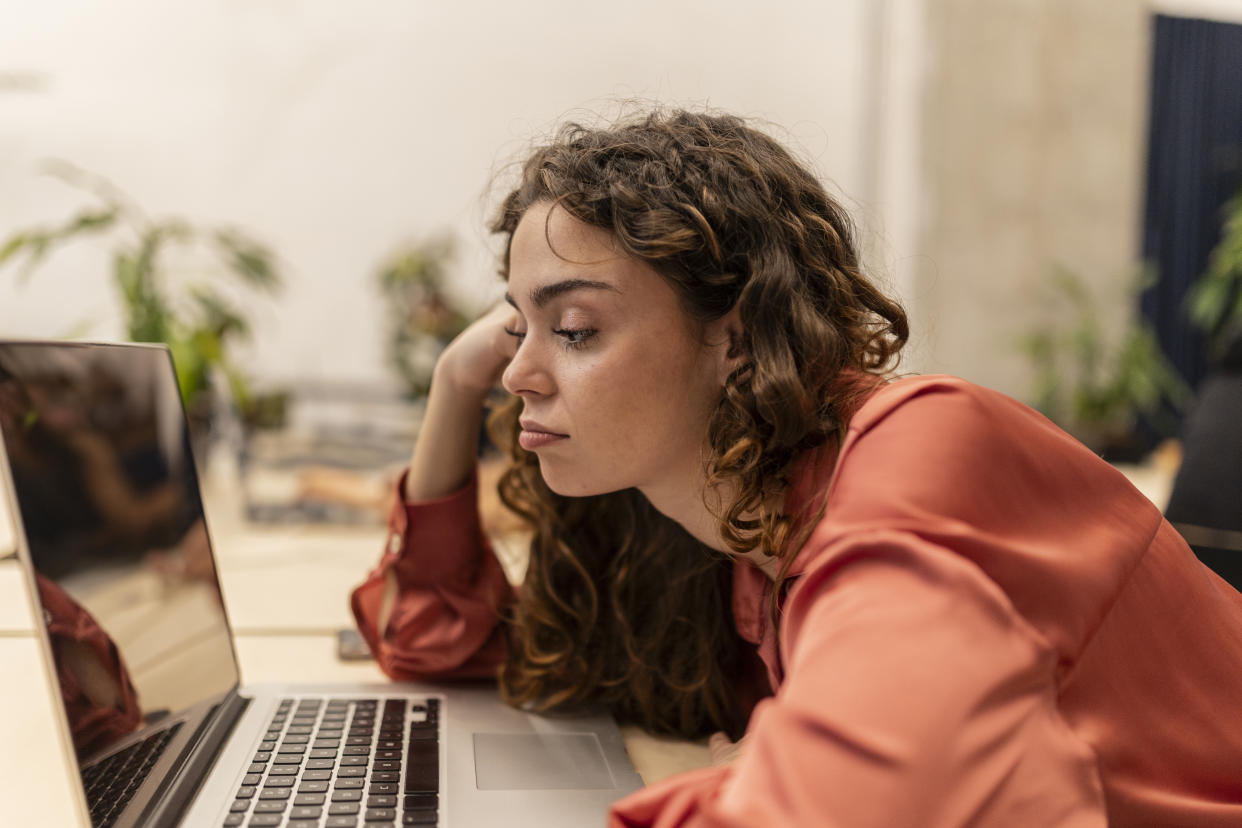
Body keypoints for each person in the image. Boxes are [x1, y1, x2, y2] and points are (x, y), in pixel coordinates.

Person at [351, 109, 1242, 826]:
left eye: (575, 330)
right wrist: (452, 385)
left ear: (732, 337)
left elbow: (877, 794)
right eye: (517, 327)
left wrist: (773, 761)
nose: (519, 372)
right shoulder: (727, 524)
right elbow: (447, 642)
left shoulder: (919, 453)